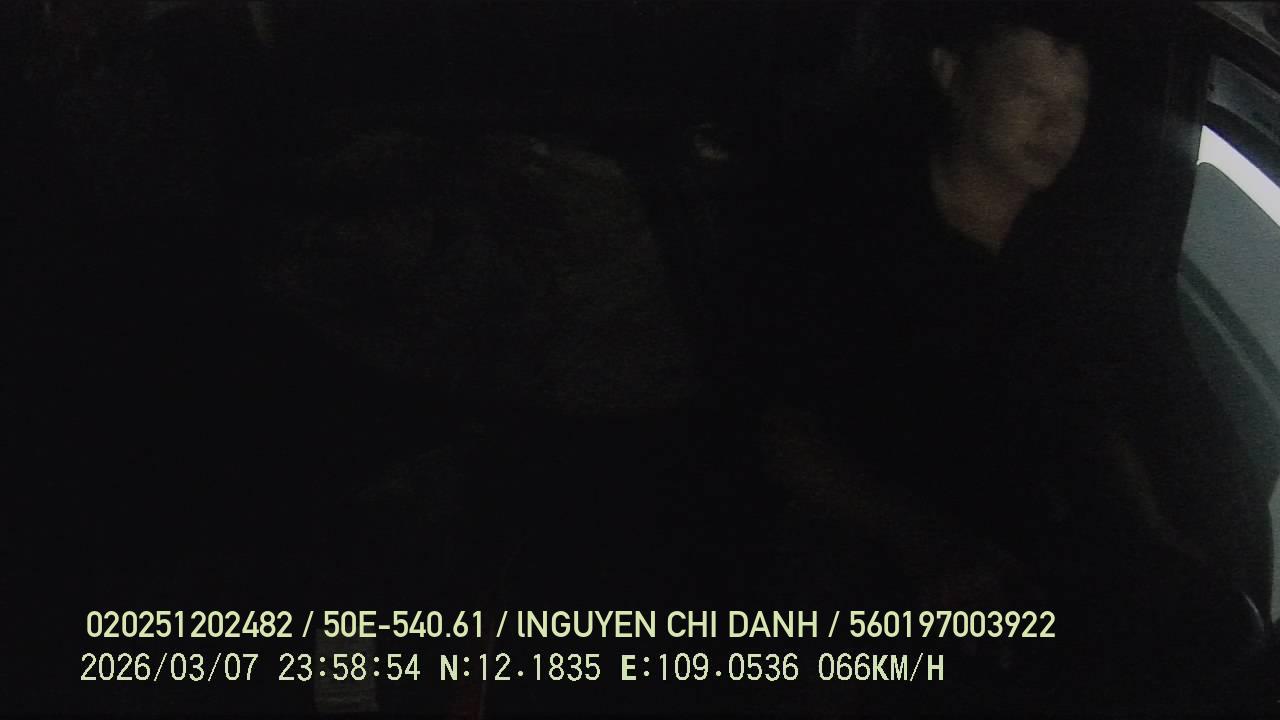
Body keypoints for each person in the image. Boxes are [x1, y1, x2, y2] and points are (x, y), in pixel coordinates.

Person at [755, 3, 1252, 712]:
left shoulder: (1068, 248)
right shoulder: (860, 234)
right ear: (951, 73)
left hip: (1031, 567)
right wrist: (926, 542)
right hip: (883, 571)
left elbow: (1087, 414)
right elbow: (784, 436)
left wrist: (1150, 535)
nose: (1058, 125)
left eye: (1075, 103)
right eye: (1028, 93)